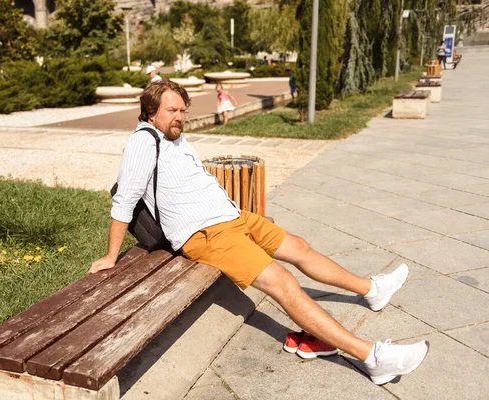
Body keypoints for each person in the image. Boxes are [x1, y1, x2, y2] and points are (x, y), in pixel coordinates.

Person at [89, 80, 429, 386]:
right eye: (172, 110)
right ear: (150, 111)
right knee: (284, 284)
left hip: (232, 218)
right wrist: (109, 256)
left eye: (183, 110)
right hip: (206, 235)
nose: (180, 117)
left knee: (300, 247)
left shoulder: (173, 136)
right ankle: (373, 358)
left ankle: (371, 289)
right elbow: (125, 200)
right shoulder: (142, 143)